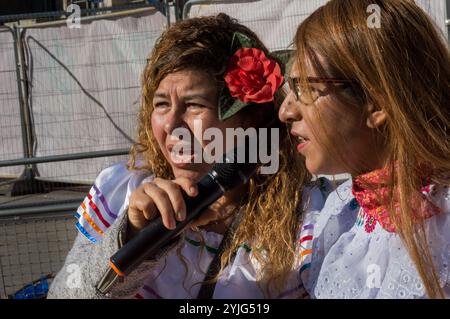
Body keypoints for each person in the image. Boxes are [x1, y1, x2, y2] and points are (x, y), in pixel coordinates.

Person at [48, 13, 318, 299]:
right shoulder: (122, 194)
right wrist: (132, 235)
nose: (170, 125)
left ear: (249, 121)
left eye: (193, 105)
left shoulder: (304, 218)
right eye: (162, 104)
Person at [279, 0, 450, 298]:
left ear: (377, 102)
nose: (286, 111)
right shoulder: (338, 212)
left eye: (305, 87)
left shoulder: (443, 221)